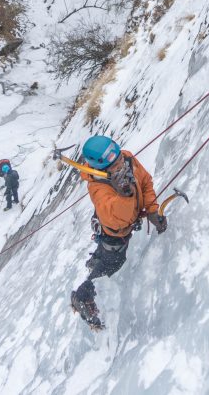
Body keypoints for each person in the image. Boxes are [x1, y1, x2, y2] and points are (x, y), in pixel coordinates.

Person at [70, 135, 168, 329]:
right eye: (114, 162)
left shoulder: (127, 159)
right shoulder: (98, 187)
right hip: (114, 231)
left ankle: (97, 260)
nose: (120, 162)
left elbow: (145, 182)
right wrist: (125, 195)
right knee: (114, 262)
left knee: (108, 256)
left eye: (119, 157)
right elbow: (117, 220)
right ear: (100, 168)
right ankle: (83, 295)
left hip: (125, 221)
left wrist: (152, 210)